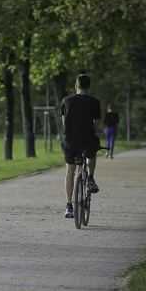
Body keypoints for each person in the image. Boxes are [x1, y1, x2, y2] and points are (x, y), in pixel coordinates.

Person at [60, 74, 102, 219]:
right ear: (88, 87)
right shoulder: (95, 102)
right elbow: (96, 123)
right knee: (92, 152)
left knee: (70, 171)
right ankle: (90, 177)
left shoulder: (66, 100)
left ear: (76, 86)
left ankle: (69, 206)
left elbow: (64, 122)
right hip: (87, 140)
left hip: (70, 141)